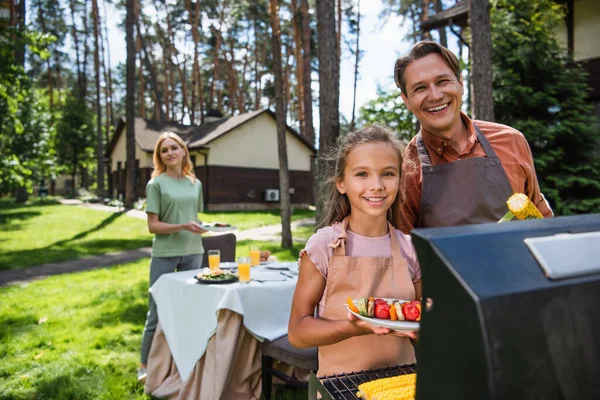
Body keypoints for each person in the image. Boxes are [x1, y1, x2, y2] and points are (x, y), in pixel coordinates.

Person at [287, 125, 421, 376]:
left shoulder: (410, 248)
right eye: (362, 174)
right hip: (340, 386)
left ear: (400, 180)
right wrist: (354, 328)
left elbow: (420, 329)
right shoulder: (323, 247)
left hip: (403, 384)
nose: (376, 185)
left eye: (388, 174)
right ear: (341, 183)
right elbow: (297, 332)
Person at [393, 41, 553, 232]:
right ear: (406, 100)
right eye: (420, 88)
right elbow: (402, 250)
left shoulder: (511, 141)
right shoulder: (405, 169)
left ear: (460, 84)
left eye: (442, 81)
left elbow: (539, 213)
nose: (435, 96)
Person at [138, 132, 207, 383]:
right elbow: (153, 226)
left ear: (183, 151)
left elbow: (192, 218)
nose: (170, 153)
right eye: (164, 150)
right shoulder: (155, 184)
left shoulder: (194, 183)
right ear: (160, 157)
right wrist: (183, 227)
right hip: (165, 255)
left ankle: (182, 361)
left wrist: (206, 226)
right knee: (156, 311)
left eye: (174, 147)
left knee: (189, 310)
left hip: (193, 252)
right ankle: (144, 365)